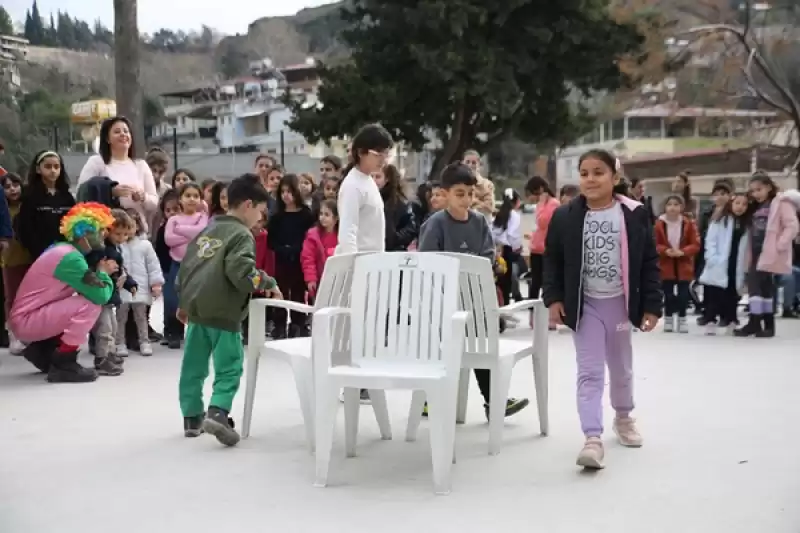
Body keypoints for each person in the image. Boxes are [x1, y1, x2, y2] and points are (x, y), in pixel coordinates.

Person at [542, 149, 662, 470]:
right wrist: (553, 299)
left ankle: (623, 418)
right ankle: (592, 438)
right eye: (584, 173)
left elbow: (649, 261)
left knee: (621, 369)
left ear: (615, 177)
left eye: (598, 172)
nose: (591, 179)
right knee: (590, 372)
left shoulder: (634, 214)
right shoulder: (565, 216)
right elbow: (551, 260)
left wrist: (652, 304)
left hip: (621, 306)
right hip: (586, 307)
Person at [176, 174, 282, 446]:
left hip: (197, 312)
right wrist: (267, 282)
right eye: (260, 211)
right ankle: (218, 412)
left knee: (193, 367)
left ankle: (192, 418)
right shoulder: (241, 234)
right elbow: (242, 273)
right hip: (224, 315)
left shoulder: (207, 230)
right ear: (248, 205)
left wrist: (184, 303)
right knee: (229, 368)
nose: (260, 218)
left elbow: (186, 269)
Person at [418, 162, 530, 419]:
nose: (467, 199)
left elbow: (488, 255)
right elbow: (427, 262)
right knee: (440, 350)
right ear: (444, 194)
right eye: (460, 193)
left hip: (474, 300)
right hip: (442, 303)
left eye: (470, 193)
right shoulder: (435, 224)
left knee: (481, 348)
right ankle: (430, 398)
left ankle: (494, 401)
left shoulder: (479, 222)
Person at [9, 203, 117, 383]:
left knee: (78, 300)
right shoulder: (70, 258)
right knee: (89, 304)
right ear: (83, 233)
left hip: (25, 318)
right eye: (99, 230)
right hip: (27, 321)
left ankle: (44, 351)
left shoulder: (61, 249)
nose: (104, 234)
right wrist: (104, 274)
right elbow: (101, 296)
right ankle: (64, 364)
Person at [734, 173, 800, 337]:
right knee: (763, 288)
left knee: (757, 286)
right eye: (753, 191)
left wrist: (780, 244)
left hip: (769, 252)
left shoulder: (780, 203)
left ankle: (756, 322)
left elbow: (792, 226)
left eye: (759, 189)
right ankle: (767, 324)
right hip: (755, 251)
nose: (756, 194)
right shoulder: (755, 206)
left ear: (769, 187)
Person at [78, 116, 158, 234]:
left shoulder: (141, 165)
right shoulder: (97, 162)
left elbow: (154, 203)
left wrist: (143, 197)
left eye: (126, 131)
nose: (123, 134)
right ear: (107, 138)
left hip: (136, 232)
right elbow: (82, 192)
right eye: (117, 132)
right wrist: (110, 191)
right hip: (106, 232)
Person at [84, 209, 138, 376]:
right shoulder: (101, 249)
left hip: (109, 294)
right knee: (104, 328)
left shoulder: (114, 248)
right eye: (118, 234)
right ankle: (102, 359)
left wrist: (129, 283)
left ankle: (109, 353)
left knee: (112, 326)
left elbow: (120, 270)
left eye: (125, 235)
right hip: (100, 294)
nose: (121, 238)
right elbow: (97, 267)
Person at [267, 174, 316, 339]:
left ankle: (298, 324)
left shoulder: (306, 215)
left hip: (299, 260)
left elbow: (309, 237)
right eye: (283, 192)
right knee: (280, 292)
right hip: (281, 260)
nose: (286, 195)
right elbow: (271, 239)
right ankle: (279, 325)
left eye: (289, 191)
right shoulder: (277, 217)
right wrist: (282, 249)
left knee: (297, 294)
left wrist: (296, 249)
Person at [164, 183, 209, 349]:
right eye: (188, 195)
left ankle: (196, 333)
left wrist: (181, 230)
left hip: (197, 265)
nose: (192, 199)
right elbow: (169, 239)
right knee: (173, 299)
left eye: (196, 196)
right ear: (180, 199)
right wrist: (191, 235)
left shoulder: (202, 217)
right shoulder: (173, 219)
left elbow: (201, 232)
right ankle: (174, 332)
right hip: (177, 263)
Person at [336, 123, 392, 255]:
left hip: (372, 262)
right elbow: (347, 232)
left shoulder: (367, 181)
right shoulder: (353, 185)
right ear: (361, 152)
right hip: (360, 265)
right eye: (378, 153)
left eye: (386, 153)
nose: (383, 159)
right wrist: (354, 266)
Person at [699, 192, 750, 335]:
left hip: (735, 263)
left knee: (732, 293)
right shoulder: (721, 220)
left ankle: (731, 319)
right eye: (737, 203)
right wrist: (712, 258)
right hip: (720, 262)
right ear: (731, 204)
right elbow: (710, 240)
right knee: (715, 293)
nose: (740, 207)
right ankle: (710, 320)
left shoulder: (746, 224)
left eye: (744, 204)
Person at [117, 210, 164, 357]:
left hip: (141, 288)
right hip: (122, 289)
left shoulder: (145, 245)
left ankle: (144, 341)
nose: (128, 231)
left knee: (141, 317)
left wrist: (156, 283)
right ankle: (120, 343)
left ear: (137, 226)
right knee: (120, 318)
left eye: (131, 226)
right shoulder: (117, 246)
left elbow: (153, 265)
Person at [16, 150, 76, 261]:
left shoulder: (67, 197)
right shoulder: (30, 196)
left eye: (56, 167)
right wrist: (37, 250)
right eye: (48, 167)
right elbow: (25, 227)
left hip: (65, 253)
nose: (53, 171)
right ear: (38, 169)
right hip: (40, 254)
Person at [655, 195, 701, 333]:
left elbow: (695, 244)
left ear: (681, 207)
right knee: (668, 294)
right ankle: (668, 318)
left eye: (676, 204)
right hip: (666, 264)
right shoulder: (659, 224)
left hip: (683, 264)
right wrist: (665, 250)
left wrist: (682, 251)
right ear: (665, 207)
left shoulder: (689, 224)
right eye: (670, 204)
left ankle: (682, 318)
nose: (673, 207)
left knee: (683, 295)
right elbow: (654, 244)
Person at [695, 182, 733, 324]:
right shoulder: (708, 213)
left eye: (723, 194)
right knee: (708, 285)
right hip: (708, 253)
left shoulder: (731, 214)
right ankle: (709, 314)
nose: (720, 197)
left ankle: (724, 314)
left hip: (724, 255)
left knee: (722, 287)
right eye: (717, 194)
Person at [525, 176, 560, 329]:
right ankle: (532, 316)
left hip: (548, 249)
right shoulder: (543, 204)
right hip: (536, 249)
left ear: (539, 189)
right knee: (535, 283)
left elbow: (543, 222)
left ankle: (550, 317)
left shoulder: (553, 204)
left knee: (549, 284)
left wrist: (541, 204)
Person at [1, 173, 31, 354]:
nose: (12, 189)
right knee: (12, 298)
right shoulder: (3, 210)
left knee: (29, 297)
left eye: (16, 184)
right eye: (7, 186)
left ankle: (29, 331)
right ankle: (14, 334)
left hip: (31, 259)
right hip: (10, 260)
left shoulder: (28, 207)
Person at [373, 163, 417, 251]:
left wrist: (394, 240)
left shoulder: (398, 202)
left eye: (378, 177)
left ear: (387, 179)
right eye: (371, 177)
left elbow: (410, 228)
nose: (373, 180)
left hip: (392, 252)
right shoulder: (372, 198)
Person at [301, 199, 339, 301]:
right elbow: (308, 258)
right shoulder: (313, 235)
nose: (322, 217)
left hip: (337, 282)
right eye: (321, 214)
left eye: (327, 215)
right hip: (319, 282)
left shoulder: (341, 237)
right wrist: (311, 279)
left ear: (336, 218)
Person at [155, 189, 179, 344]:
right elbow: (159, 251)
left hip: (182, 268)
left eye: (175, 209)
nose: (171, 213)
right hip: (167, 269)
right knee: (169, 301)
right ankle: (169, 332)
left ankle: (178, 332)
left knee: (179, 302)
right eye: (167, 210)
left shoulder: (185, 228)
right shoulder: (162, 229)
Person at [492, 188, 523, 307]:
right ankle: (506, 307)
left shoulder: (500, 213)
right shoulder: (514, 215)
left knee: (500, 280)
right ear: (516, 201)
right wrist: (517, 247)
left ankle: (500, 306)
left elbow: (494, 232)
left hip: (498, 249)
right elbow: (512, 234)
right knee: (507, 280)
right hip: (508, 250)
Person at [462, 149, 495, 223]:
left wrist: (472, 201)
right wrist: (479, 201)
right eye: (467, 162)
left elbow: (489, 208)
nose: (470, 165)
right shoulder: (456, 183)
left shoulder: (487, 184)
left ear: (479, 165)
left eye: (474, 163)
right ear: (462, 163)